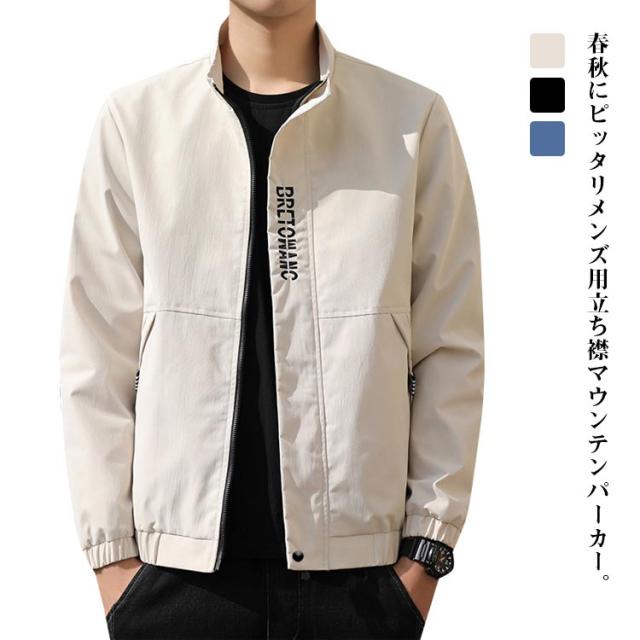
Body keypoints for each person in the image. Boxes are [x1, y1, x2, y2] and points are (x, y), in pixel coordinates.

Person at [59, 1, 485, 638]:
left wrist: (426, 554)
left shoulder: (410, 122)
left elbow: (450, 348)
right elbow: (95, 354)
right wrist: (115, 563)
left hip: (362, 589)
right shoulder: (138, 122)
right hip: (173, 582)